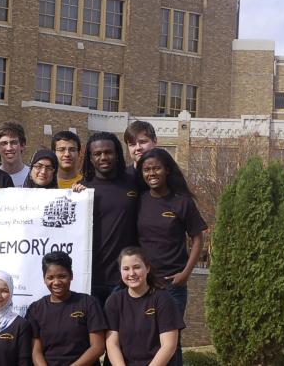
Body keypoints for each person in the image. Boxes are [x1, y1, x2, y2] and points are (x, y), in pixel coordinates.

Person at [135, 148, 207, 366]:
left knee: (172, 342)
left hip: (171, 285)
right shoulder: (139, 200)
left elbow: (197, 238)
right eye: (146, 170)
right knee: (144, 339)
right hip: (142, 285)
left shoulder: (182, 202)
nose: (151, 173)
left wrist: (186, 273)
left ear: (167, 169)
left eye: (156, 168)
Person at [79, 132, 138, 307]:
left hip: (125, 278)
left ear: (117, 154)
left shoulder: (134, 183)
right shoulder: (83, 190)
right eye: (97, 154)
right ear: (90, 158)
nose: (103, 157)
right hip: (91, 279)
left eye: (108, 152)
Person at [105, 247, 184, 366]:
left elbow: (169, 346)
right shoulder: (114, 301)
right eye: (126, 269)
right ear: (120, 271)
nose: (132, 273)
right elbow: (112, 344)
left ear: (147, 268)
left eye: (137, 267)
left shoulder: (163, 300)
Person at [26, 252, 106, 366]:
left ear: (71, 275)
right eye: (50, 278)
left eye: (62, 276)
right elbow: (36, 351)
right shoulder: (35, 309)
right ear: (44, 279)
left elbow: (98, 347)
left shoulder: (89, 303)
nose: (56, 282)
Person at [0, 121, 29, 187]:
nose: (9, 148)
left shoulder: (33, 177)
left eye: (13, 143)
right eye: (4, 143)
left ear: (22, 145)